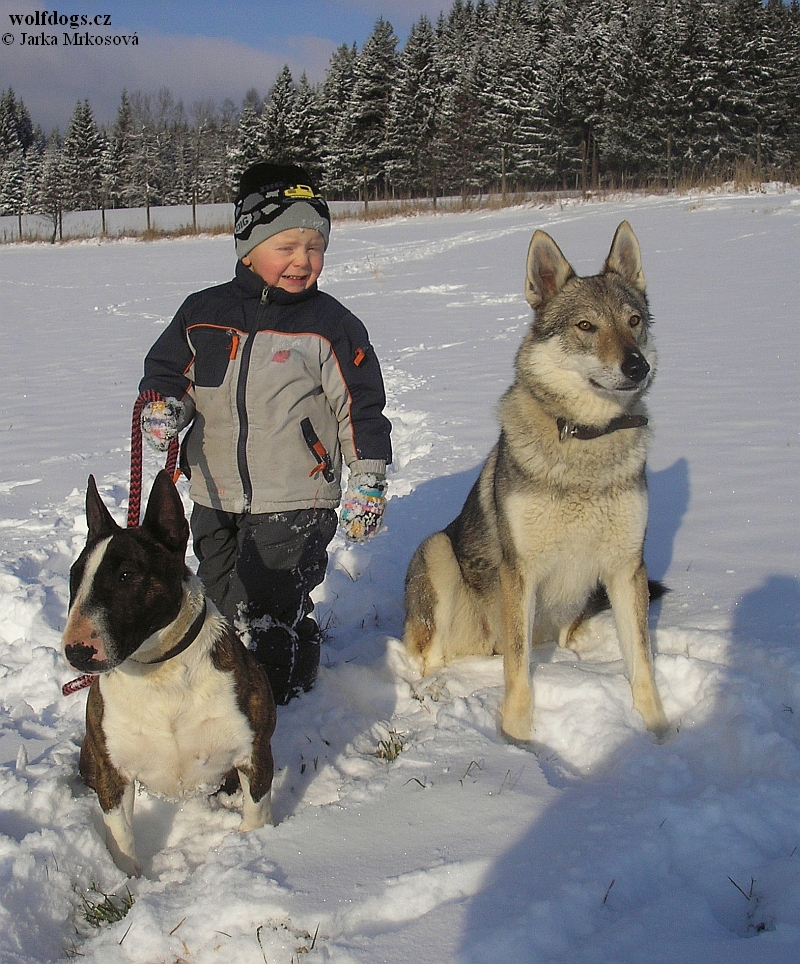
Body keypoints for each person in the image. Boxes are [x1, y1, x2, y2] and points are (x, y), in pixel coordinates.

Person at [138, 162, 392, 704]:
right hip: (212, 489)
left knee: (263, 607)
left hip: (295, 495)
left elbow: (361, 405)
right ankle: (296, 668)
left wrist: (367, 477)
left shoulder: (329, 323)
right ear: (247, 246)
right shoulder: (202, 313)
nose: (303, 260)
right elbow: (169, 374)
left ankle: (261, 710)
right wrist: (164, 409)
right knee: (220, 597)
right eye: (288, 246)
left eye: (315, 247)